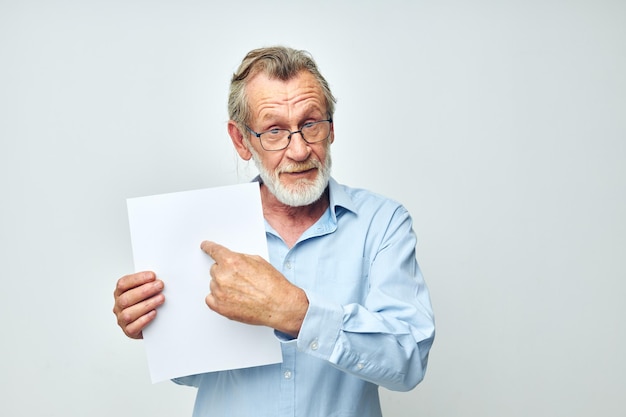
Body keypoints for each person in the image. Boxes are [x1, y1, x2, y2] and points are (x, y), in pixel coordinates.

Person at [113, 46, 435, 417]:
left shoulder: (383, 223)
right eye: (275, 130)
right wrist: (158, 329)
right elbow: (196, 377)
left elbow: (408, 362)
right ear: (241, 141)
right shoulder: (201, 229)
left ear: (332, 128)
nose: (299, 149)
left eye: (311, 123)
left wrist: (295, 312)